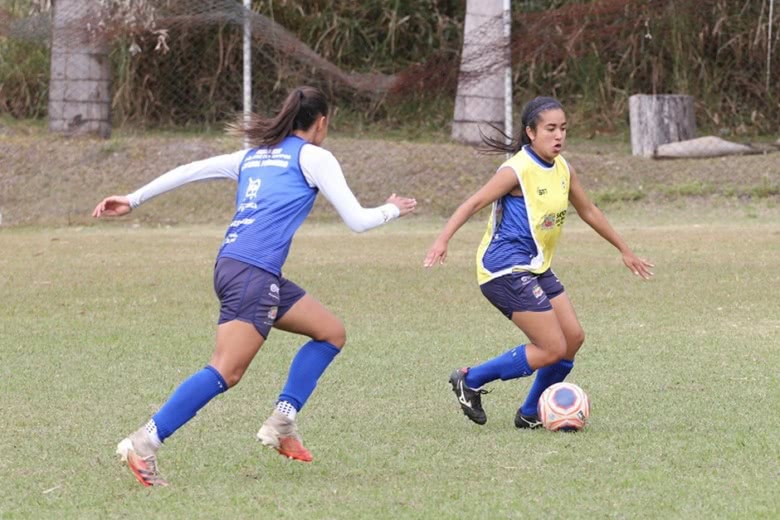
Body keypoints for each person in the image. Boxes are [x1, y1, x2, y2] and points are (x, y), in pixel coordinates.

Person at [93, 86, 416, 487]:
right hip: (252, 275)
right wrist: (393, 209)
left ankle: (283, 419)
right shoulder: (314, 156)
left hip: (238, 266)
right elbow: (357, 220)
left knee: (330, 333)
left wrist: (133, 198)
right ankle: (145, 442)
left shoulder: (252, 156)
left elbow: (190, 170)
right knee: (226, 371)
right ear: (321, 122)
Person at [423, 96, 653, 429]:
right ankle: (470, 379)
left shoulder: (564, 169)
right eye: (550, 129)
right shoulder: (516, 169)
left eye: (563, 129)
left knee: (572, 339)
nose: (558, 135)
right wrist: (442, 240)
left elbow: (589, 211)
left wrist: (624, 249)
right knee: (551, 347)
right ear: (531, 132)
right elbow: (474, 202)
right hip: (503, 268)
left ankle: (530, 413)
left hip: (535, 266)